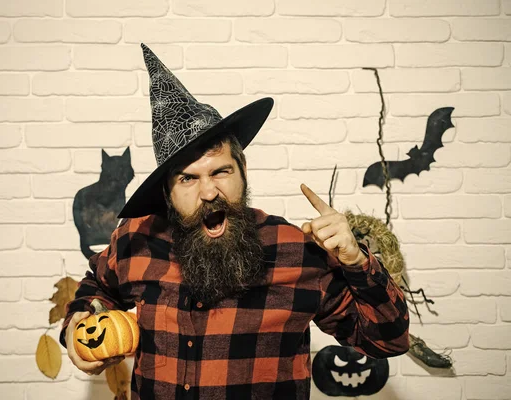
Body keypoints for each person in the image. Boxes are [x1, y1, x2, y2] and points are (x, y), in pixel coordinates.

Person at [60, 44, 409, 400]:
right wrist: (76, 324)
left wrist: (357, 262)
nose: (209, 191)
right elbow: (97, 287)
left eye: (220, 171)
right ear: (167, 192)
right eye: (188, 179)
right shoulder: (136, 239)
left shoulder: (297, 251)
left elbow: (388, 341)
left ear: (243, 171)